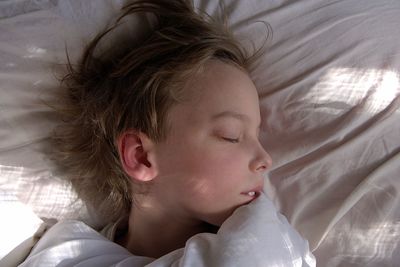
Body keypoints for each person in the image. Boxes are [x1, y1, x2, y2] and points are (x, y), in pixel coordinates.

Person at [10, 0, 316, 266]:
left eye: (258, 135)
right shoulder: (67, 253)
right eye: (231, 135)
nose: (265, 158)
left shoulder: (269, 243)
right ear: (141, 156)